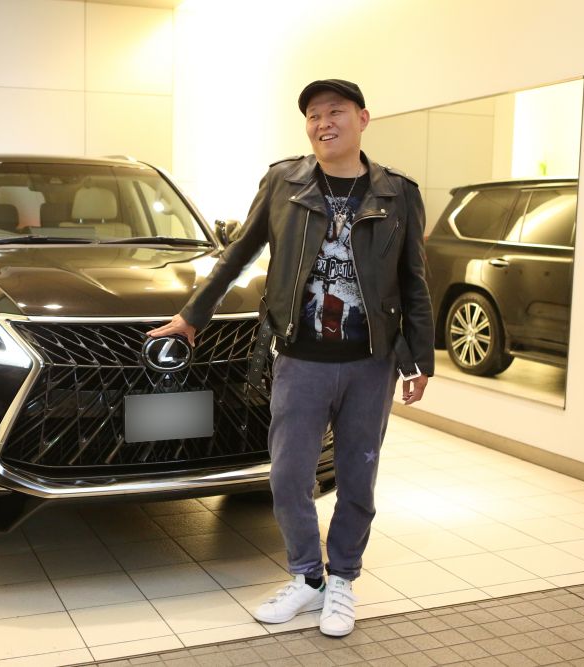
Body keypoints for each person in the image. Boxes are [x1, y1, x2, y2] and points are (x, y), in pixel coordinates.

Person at [147, 79, 434, 637]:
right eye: (313, 115)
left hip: (370, 363)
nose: (324, 123)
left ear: (362, 119)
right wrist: (192, 315)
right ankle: (308, 577)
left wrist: (419, 359)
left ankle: (343, 579)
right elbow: (238, 254)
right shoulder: (285, 182)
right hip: (300, 360)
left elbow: (414, 281)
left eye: (336, 112)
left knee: (358, 477)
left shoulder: (398, 193)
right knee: (287, 477)